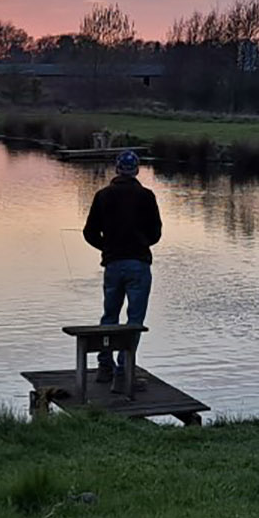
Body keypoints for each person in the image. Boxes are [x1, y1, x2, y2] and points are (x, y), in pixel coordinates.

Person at [82, 150, 162, 390]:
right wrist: (140, 243)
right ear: (136, 170)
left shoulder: (103, 196)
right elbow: (156, 233)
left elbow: (89, 233)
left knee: (109, 316)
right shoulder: (147, 196)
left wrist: (107, 247)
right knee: (134, 320)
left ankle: (104, 368)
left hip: (112, 264)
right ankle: (123, 372)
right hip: (138, 264)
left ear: (116, 169)